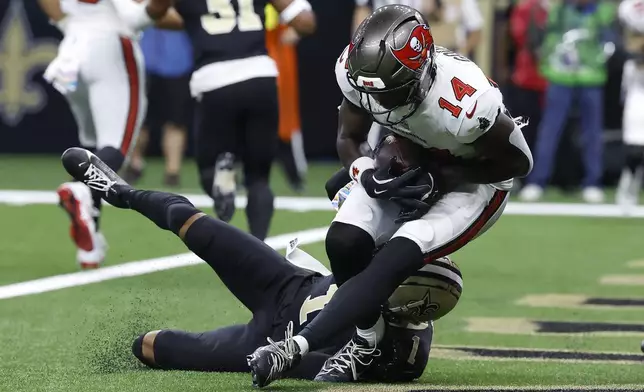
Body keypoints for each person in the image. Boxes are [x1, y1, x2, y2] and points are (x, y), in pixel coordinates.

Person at [248, 5, 533, 387]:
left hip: (475, 180)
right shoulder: (357, 72)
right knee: (344, 241)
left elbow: (518, 162)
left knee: (396, 256)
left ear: (420, 75)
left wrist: (443, 175)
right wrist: (367, 173)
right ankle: (367, 343)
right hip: (416, 159)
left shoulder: (464, 101)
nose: (381, 104)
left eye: (392, 92)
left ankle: (294, 348)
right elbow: (348, 138)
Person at [58, 147, 468, 383]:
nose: (388, 270)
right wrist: (363, 173)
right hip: (287, 284)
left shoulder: (404, 352)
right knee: (196, 225)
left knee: (148, 346)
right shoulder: (395, 248)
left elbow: (319, 369)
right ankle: (120, 191)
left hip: (272, 340)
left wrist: (272, 353)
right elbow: (339, 189)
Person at [148, 0, 316, 240]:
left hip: (214, 80)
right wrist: (295, 26)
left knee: (208, 170)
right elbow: (306, 22)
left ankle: (221, 178)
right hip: (260, 75)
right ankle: (260, 246)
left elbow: (154, 13)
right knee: (259, 178)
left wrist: (195, 18)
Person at [37, 0, 171, 268]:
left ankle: (90, 247)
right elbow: (141, 15)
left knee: (91, 148)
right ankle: (80, 190)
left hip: (72, 49)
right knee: (116, 146)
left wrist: (67, 21)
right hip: (111, 46)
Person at [518, 0, 618, 203]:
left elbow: (610, 43)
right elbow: (545, 39)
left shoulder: (604, 12)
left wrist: (598, 60)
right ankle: (537, 181)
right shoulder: (559, 12)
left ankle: (592, 183)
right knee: (550, 130)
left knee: (592, 133)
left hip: (591, 77)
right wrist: (549, 61)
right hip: (560, 76)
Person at [124, 27, 194, 187]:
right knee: (138, 120)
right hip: (142, 60)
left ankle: (173, 172)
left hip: (178, 62)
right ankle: (134, 165)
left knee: (176, 121)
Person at [266, 5, 307, 193]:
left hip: (278, 49)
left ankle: (295, 173)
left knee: (286, 116)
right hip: (253, 47)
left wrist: (295, 29)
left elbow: (303, 14)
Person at [616, 0, 644, 211]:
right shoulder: (629, 7)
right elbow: (628, 43)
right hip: (638, 86)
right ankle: (628, 185)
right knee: (635, 145)